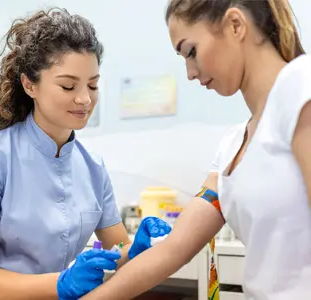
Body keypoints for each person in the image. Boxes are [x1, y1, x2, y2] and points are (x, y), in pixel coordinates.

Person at [81, 0, 311, 299]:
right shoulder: (232, 149)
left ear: (235, 25)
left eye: (191, 51)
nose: (189, 72)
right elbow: (174, 249)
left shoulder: (299, 86)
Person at [0, 8, 171, 300]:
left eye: (93, 85)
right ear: (29, 85)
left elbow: (118, 251)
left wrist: (136, 250)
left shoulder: (92, 168)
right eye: (68, 85)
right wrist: (61, 283)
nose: (85, 99)